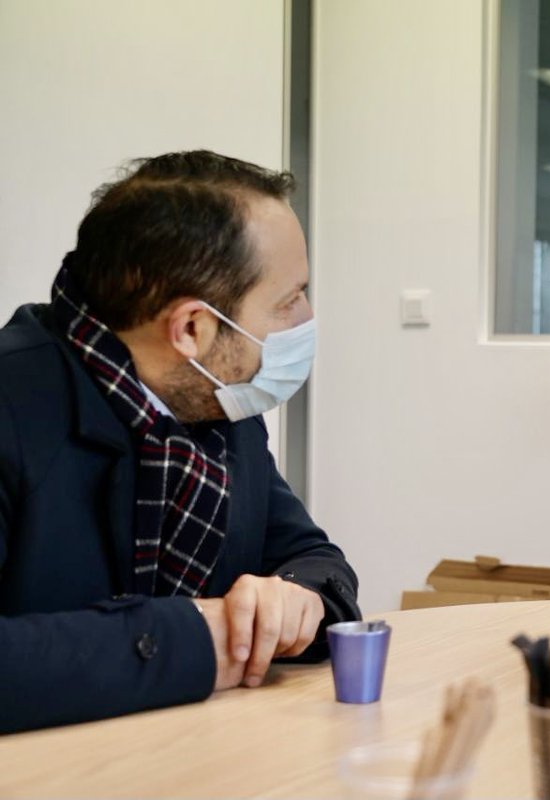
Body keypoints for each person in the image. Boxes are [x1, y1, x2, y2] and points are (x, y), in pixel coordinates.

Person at [0, 151, 361, 733]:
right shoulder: (14, 405)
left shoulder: (217, 404)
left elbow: (311, 557)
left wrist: (297, 600)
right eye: (289, 298)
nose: (306, 316)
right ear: (193, 328)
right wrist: (201, 637)